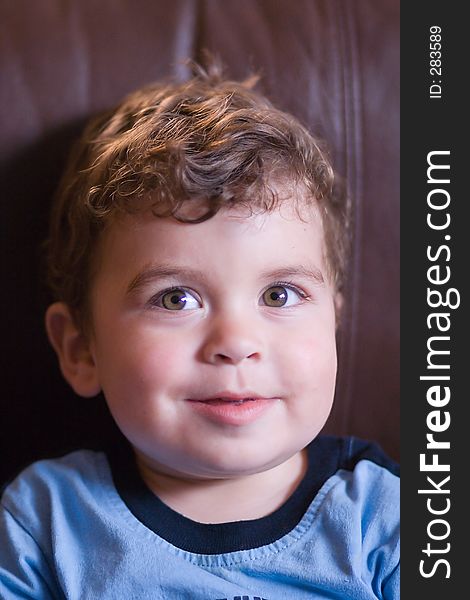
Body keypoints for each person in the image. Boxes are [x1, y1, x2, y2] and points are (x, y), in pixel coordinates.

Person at [0, 62, 399, 599]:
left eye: (279, 295)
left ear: (333, 322)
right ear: (80, 349)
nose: (235, 343)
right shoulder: (45, 524)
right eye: (175, 298)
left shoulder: (384, 517)